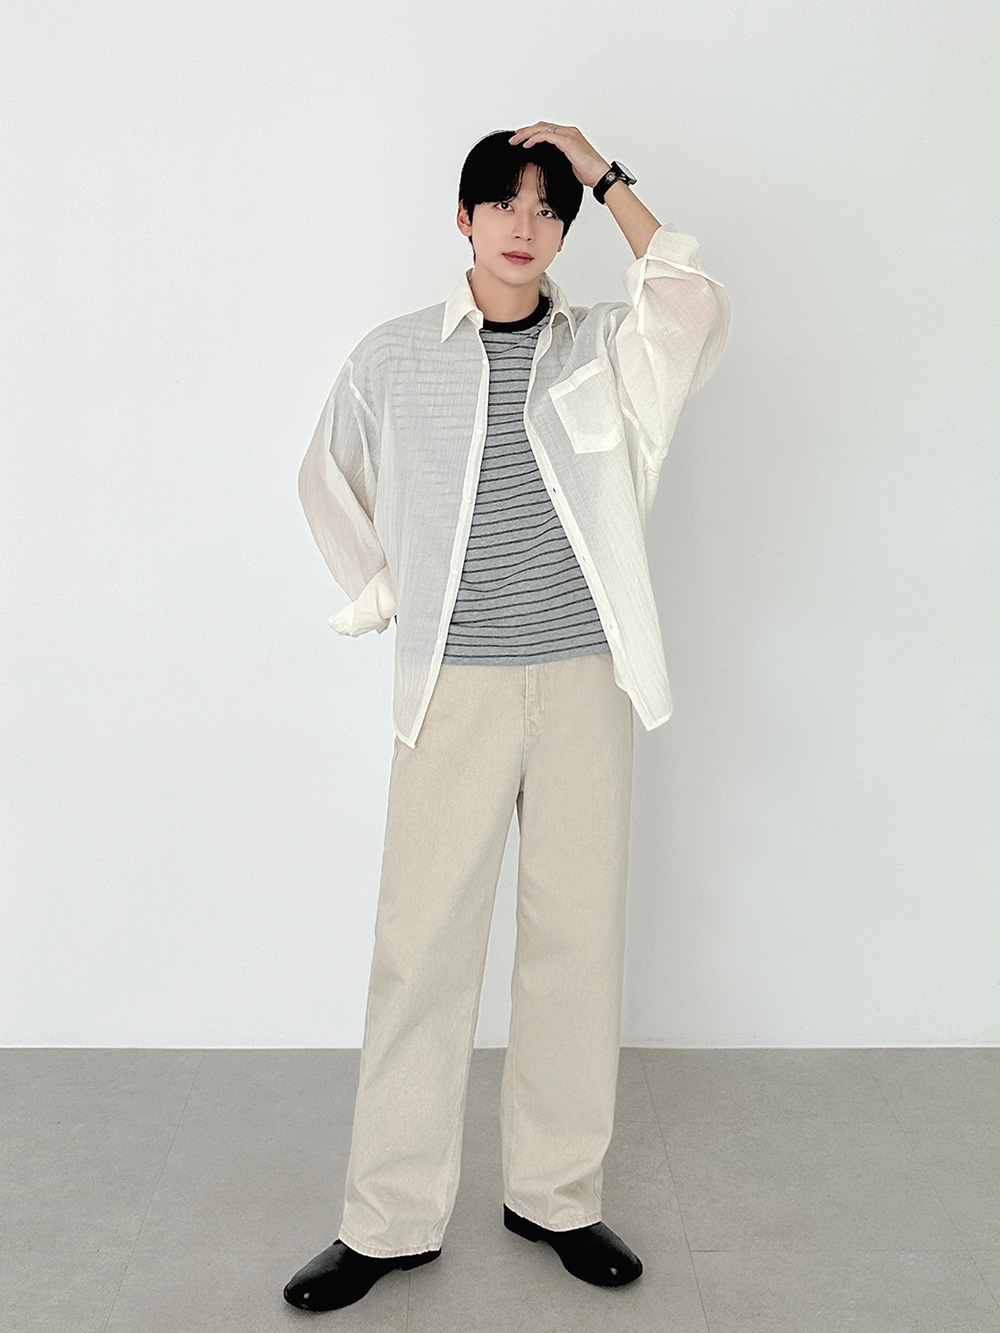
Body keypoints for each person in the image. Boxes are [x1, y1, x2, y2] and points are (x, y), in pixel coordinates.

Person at [284, 122, 731, 1313]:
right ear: (465, 220)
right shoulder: (395, 357)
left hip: (584, 680)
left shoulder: (603, 347)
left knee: (575, 940)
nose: (525, 226)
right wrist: (382, 593)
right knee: (419, 947)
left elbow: (689, 304)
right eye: (504, 204)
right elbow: (325, 474)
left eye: (547, 206)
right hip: (456, 685)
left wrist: (605, 174)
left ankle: (556, 1197)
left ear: (563, 229)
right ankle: (386, 1219)